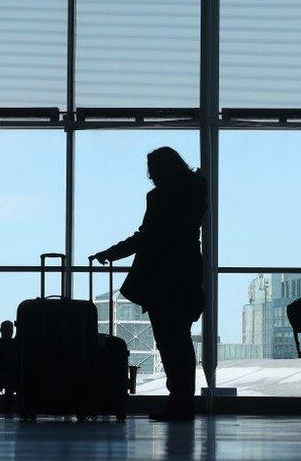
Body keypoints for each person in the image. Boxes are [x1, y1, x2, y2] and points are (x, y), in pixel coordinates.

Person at [93, 147, 207, 422]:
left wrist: (111, 253)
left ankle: (178, 403)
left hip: (163, 278)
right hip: (188, 275)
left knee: (169, 344)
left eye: (152, 169)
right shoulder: (196, 190)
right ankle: (183, 403)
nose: (150, 176)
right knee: (180, 342)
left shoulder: (159, 197)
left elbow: (147, 236)